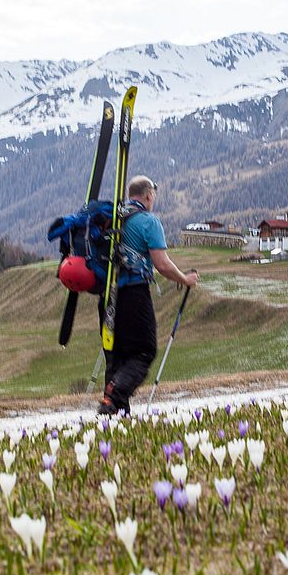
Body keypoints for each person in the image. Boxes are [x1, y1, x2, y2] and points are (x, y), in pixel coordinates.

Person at [97, 175, 198, 416]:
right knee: (144, 351)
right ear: (148, 195)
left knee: (117, 357)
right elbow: (161, 264)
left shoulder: (112, 218)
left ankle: (113, 414)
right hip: (134, 294)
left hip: (106, 297)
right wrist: (184, 279)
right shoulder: (147, 221)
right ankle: (115, 395)